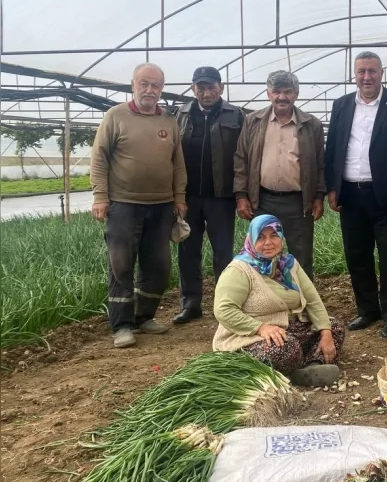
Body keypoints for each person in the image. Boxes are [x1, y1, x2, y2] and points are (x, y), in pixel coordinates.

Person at [324, 51, 387, 339]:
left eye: (372, 71)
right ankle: (368, 310)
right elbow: (333, 149)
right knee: (357, 255)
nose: (367, 77)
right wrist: (332, 187)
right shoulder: (341, 105)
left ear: (382, 73)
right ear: (354, 74)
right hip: (351, 193)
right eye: (361, 71)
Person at [90, 62, 187, 349]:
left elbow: (178, 164)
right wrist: (100, 196)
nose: (149, 89)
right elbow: (99, 158)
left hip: (161, 206)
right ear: (133, 85)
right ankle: (122, 325)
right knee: (121, 265)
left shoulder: (168, 121)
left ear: (161, 89)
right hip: (123, 205)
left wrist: (179, 197)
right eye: (143, 83)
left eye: (155, 85)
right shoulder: (115, 116)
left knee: (157, 265)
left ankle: (144, 317)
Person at [212, 214, 345, 387]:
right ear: (251, 239)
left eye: (274, 235)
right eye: (261, 237)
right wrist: (260, 328)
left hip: (286, 329)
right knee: (286, 348)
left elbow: (312, 300)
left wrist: (326, 333)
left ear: (281, 238)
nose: (268, 242)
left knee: (333, 327)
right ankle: (290, 369)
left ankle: (312, 366)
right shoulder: (239, 270)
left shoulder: (288, 264)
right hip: (248, 336)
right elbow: (224, 310)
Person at [234, 70, 325, 279]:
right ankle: (267, 303)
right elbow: (241, 159)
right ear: (268, 93)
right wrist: (241, 195)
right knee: (263, 254)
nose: (282, 97)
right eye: (276, 91)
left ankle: (300, 305)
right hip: (263, 200)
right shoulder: (253, 121)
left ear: (296, 94)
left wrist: (319, 196)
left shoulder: (312, 125)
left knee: (300, 256)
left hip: (298, 203)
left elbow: (321, 164)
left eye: (288, 91)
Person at [173, 66, 246, 324]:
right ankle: (191, 303)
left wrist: (241, 193)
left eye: (211, 87)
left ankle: (224, 302)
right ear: (193, 89)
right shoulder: (179, 115)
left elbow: (243, 157)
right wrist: (176, 194)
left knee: (223, 252)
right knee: (188, 250)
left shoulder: (236, 115)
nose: (206, 92)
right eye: (201, 87)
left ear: (221, 87)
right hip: (188, 197)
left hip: (221, 196)